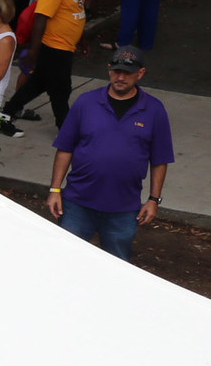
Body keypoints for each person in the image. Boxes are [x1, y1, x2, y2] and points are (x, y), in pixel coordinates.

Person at [47, 48, 173, 263]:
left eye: (128, 73)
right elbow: (65, 148)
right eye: (116, 71)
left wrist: (154, 199)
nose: (121, 77)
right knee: (65, 260)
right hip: (77, 203)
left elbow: (160, 159)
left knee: (117, 266)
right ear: (109, 70)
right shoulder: (86, 103)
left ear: (140, 73)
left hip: (123, 208)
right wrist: (55, 189)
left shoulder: (154, 110)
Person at [4, 0, 89, 132]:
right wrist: (34, 51)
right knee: (61, 89)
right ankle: (65, 130)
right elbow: (40, 19)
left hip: (66, 48)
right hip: (54, 48)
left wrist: (82, 39)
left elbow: (76, 13)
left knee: (37, 84)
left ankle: (7, 113)